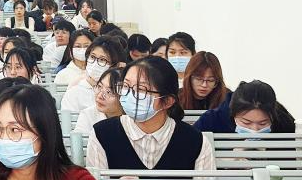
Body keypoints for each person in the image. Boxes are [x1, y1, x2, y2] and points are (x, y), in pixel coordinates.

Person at [85, 55, 213, 170]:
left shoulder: (196, 142)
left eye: (141, 89)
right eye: (125, 86)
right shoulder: (101, 134)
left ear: (167, 101)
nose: (129, 94)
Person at [194, 79, 296, 136]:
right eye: (246, 123)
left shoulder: (284, 123)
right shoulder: (210, 121)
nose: (254, 130)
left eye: (263, 123)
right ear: (233, 114)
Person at [60, 35, 127, 115]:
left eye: (102, 60)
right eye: (92, 57)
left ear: (116, 65)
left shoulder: (123, 92)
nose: (95, 63)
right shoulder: (74, 92)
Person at [73, 67, 126, 136]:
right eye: (99, 86)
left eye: (109, 92)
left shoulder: (133, 119)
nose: (100, 96)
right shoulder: (88, 115)